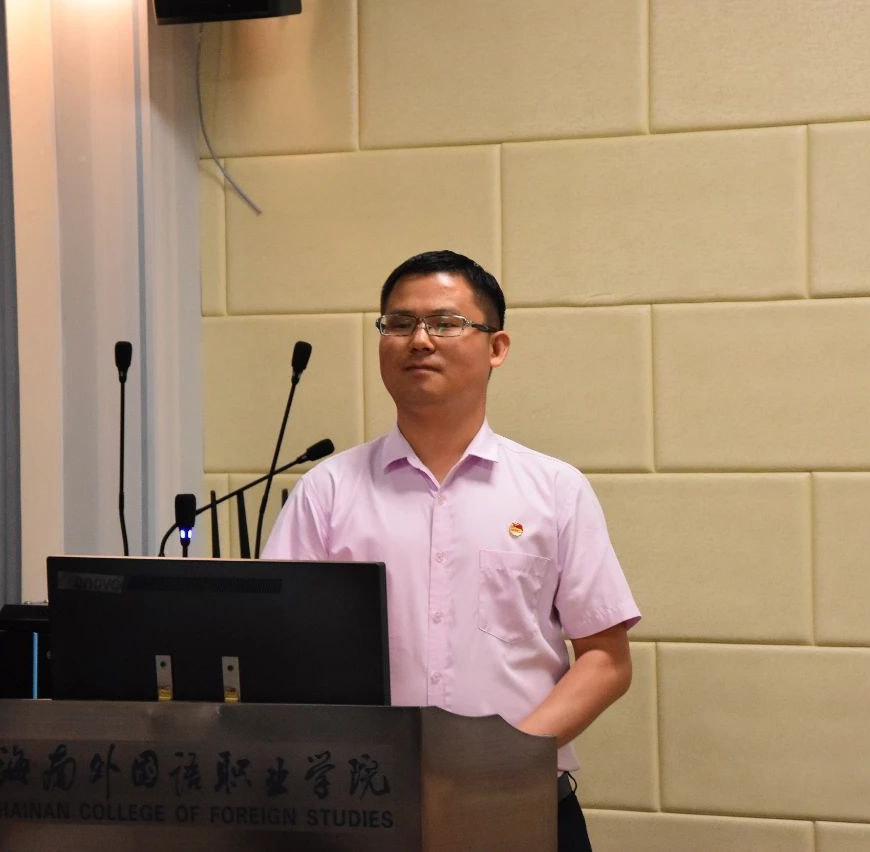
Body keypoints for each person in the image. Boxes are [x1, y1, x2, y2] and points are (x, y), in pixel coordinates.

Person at [262, 250, 640, 851]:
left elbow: (606, 660)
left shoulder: (554, 490)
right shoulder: (328, 491)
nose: (419, 340)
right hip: (364, 814)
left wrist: (503, 760)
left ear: (497, 347)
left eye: (445, 323)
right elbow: (276, 650)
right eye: (398, 324)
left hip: (520, 806)